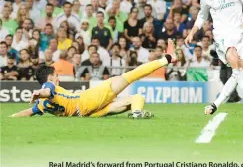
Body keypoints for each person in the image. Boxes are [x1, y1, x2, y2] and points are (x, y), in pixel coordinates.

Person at [11, 41, 177, 119]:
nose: (58, 78)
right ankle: (168, 59)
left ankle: (136, 113)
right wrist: (40, 92)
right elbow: (47, 90)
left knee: (137, 98)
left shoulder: (41, 104)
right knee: (130, 75)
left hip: (90, 113)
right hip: (89, 99)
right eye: (56, 76)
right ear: (49, 78)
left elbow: (27, 112)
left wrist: (10, 118)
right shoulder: (49, 87)